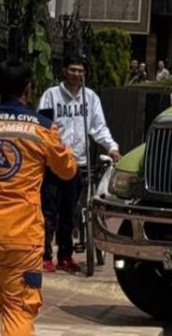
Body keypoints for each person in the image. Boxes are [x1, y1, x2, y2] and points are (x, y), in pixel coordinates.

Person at [0, 59, 77, 336]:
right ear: (28, 89)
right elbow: (67, 170)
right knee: (19, 308)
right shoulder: (42, 129)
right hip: (20, 235)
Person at [38, 56, 120, 273]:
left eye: (80, 71)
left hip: (79, 163)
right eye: (73, 70)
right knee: (48, 211)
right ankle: (45, 255)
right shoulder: (51, 96)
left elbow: (98, 127)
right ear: (65, 71)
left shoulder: (90, 98)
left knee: (70, 211)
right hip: (54, 163)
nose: (76, 74)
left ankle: (65, 256)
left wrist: (111, 147)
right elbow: (43, 128)